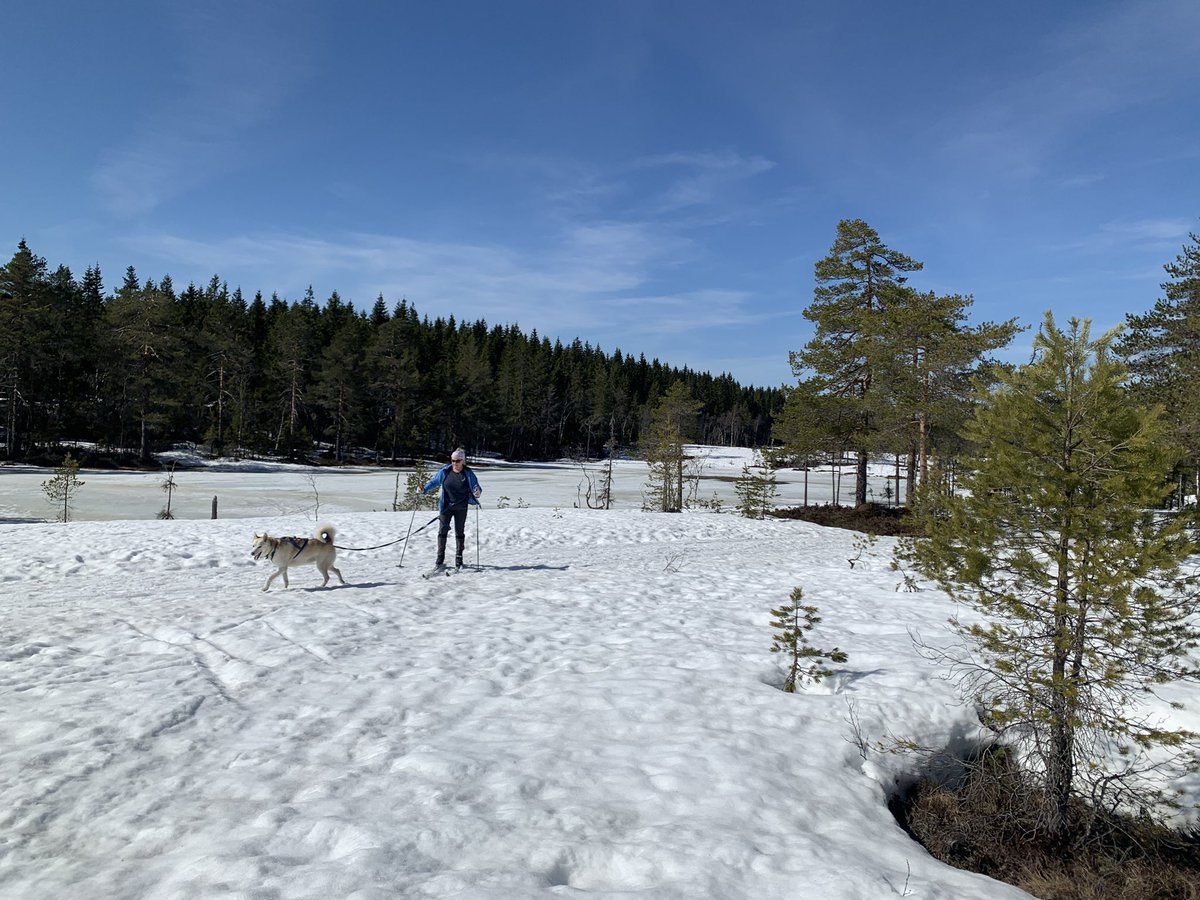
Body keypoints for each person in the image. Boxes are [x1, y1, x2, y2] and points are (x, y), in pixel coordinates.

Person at [422, 447, 482, 569]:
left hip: (461, 507)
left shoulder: (468, 473)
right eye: (453, 460)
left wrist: (477, 492)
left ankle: (459, 558)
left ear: (462, 461)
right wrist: (424, 489)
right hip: (446, 507)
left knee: (459, 532)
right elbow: (434, 482)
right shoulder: (445, 471)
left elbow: (477, 488)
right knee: (442, 531)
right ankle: (440, 558)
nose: (455, 463)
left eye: (457, 461)